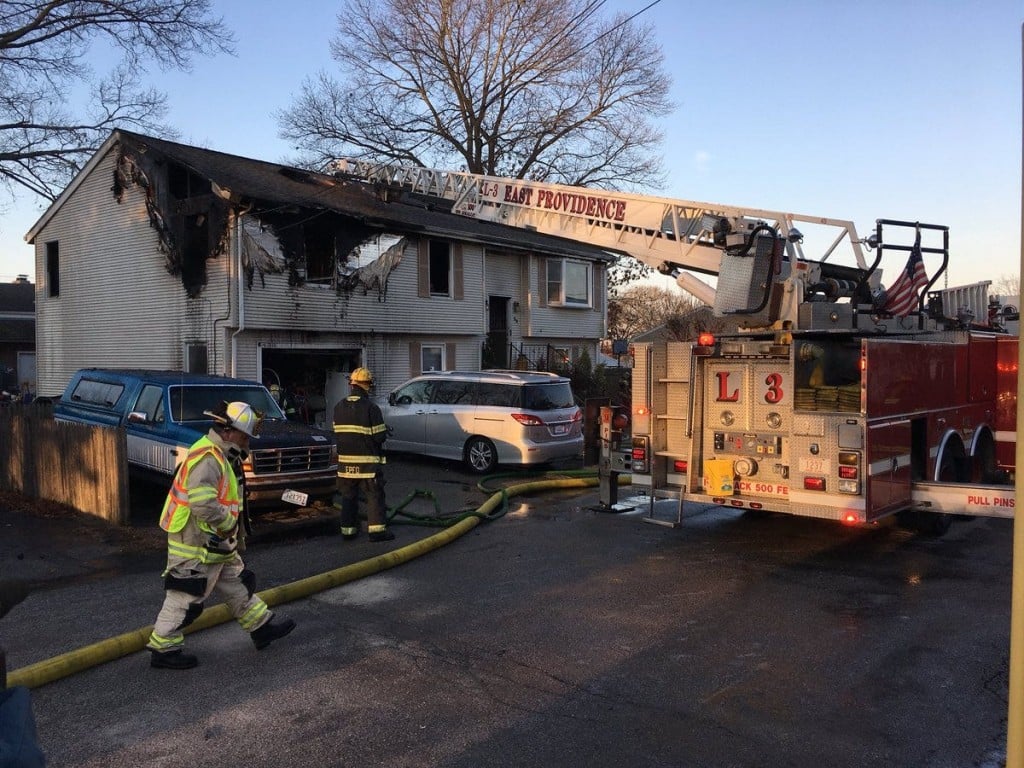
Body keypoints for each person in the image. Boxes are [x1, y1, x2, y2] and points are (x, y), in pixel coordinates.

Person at [146, 401, 296, 670]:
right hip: (194, 541)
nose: (247, 441)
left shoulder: (224, 455)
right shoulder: (208, 458)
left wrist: (232, 532)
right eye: (244, 436)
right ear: (227, 431)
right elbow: (203, 504)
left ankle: (260, 627)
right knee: (186, 595)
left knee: (237, 583)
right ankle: (163, 648)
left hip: (215, 540)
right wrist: (227, 524)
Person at [333, 367, 393, 542]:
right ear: (367, 386)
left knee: (348, 497)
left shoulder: (338, 407)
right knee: (374, 496)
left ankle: (348, 531)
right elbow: (379, 437)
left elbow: (339, 432)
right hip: (367, 465)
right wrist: (384, 430)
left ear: (352, 385)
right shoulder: (371, 408)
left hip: (345, 465)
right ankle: (377, 532)